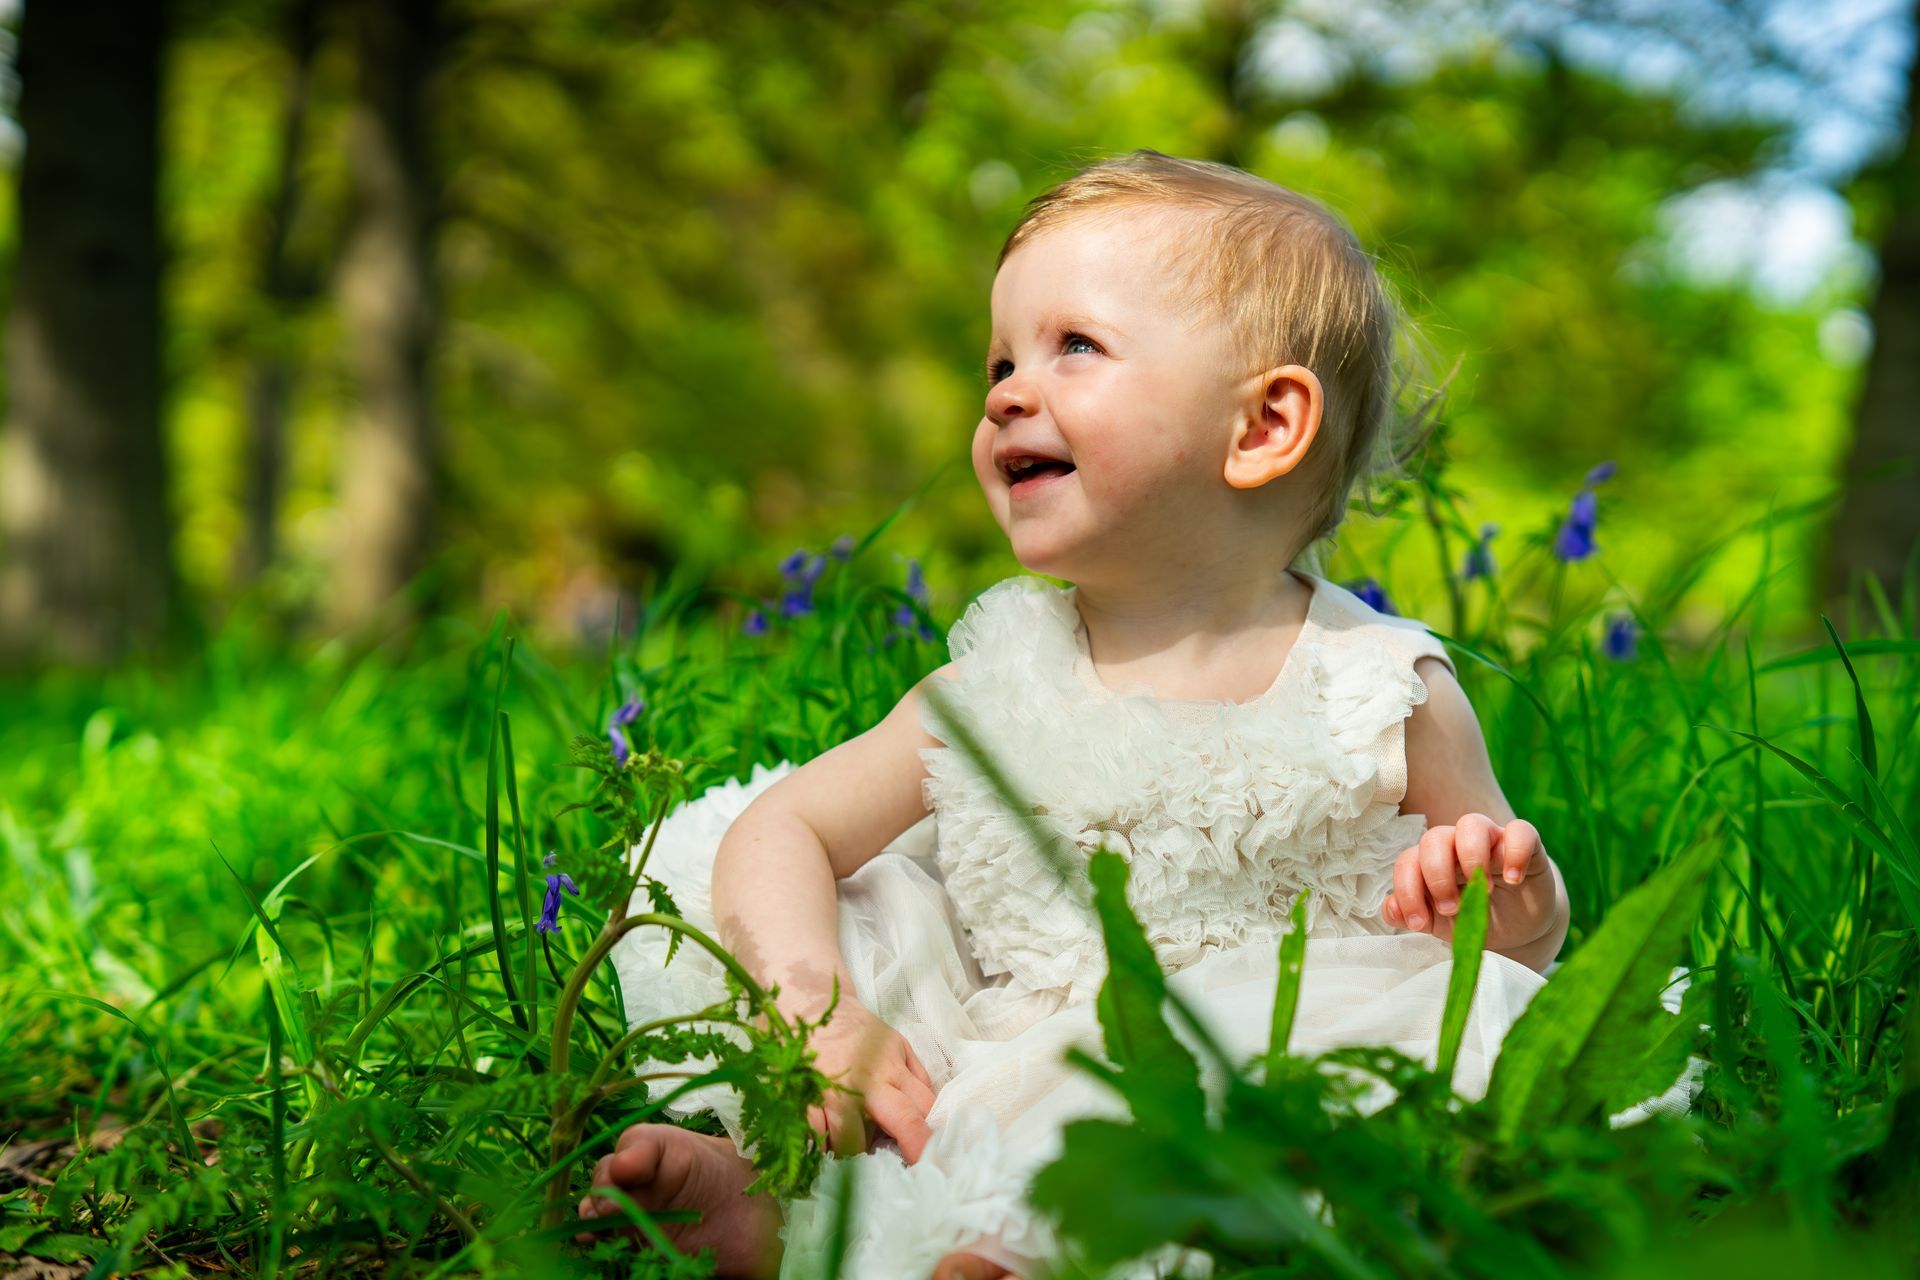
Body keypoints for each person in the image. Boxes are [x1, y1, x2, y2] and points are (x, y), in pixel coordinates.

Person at [581, 149, 1700, 1279]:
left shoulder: (1378, 690)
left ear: (1264, 425)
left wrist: (1499, 889)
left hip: (1263, 1068)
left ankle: (986, 1242)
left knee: (1456, 1048)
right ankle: (782, 1181)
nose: (1007, 391)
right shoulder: (995, 683)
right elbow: (787, 828)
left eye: (1075, 346)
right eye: (1002, 358)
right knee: (751, 881)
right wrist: (822, 1011)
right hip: (997, 1053)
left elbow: (1522, 948)